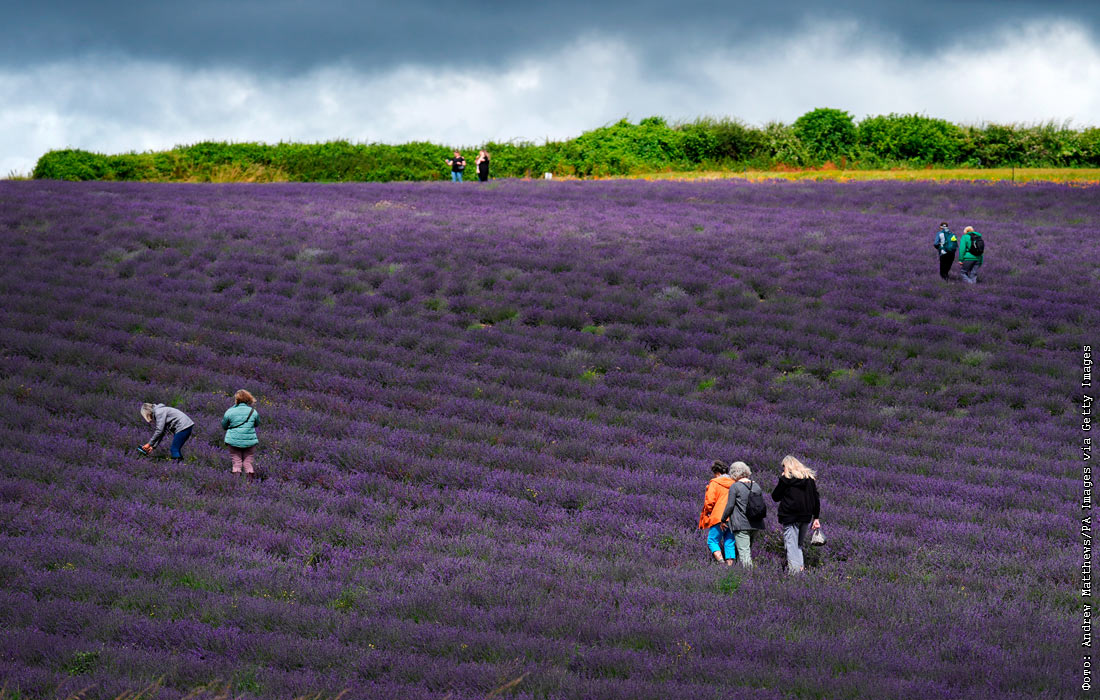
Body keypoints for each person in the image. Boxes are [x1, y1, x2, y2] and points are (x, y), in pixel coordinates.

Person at [771, 455, 821, 574]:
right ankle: (800, 570)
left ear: (787, 467)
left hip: (790, 516)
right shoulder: (809, 479)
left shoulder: (786, 479)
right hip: (805, 517)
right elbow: (816, 499)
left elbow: (775, 497)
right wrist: (816, 517)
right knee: (798, 545)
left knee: (791, 546)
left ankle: (794, 574)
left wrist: (782, 480)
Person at [721, 461, 765, 568]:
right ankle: (750, 572)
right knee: (747, 550)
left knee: (744, 553)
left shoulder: (735, 487)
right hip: (756, 523)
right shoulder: (756, 486)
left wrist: (723, 519)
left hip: (741, 524)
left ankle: (749, 575)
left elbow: (730, 506)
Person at [698, 460, 736, 565]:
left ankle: (721, 563)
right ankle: (729, 567)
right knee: (729, 542)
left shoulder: (714, 483)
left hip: (719, 517)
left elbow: (709, 502)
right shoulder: (735, 483)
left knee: (712, 540)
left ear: (717, 472)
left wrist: (708, 513)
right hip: (733, 517)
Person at [221, 389, 261, 478]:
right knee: (248, 463)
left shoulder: (230, 411)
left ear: (237, 399)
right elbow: (257, 424)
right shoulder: (253, 411)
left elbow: (224, 426)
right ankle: (250, 484)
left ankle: (236, 483)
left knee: (236, 463)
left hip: (233, 441)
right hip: (250, 441)